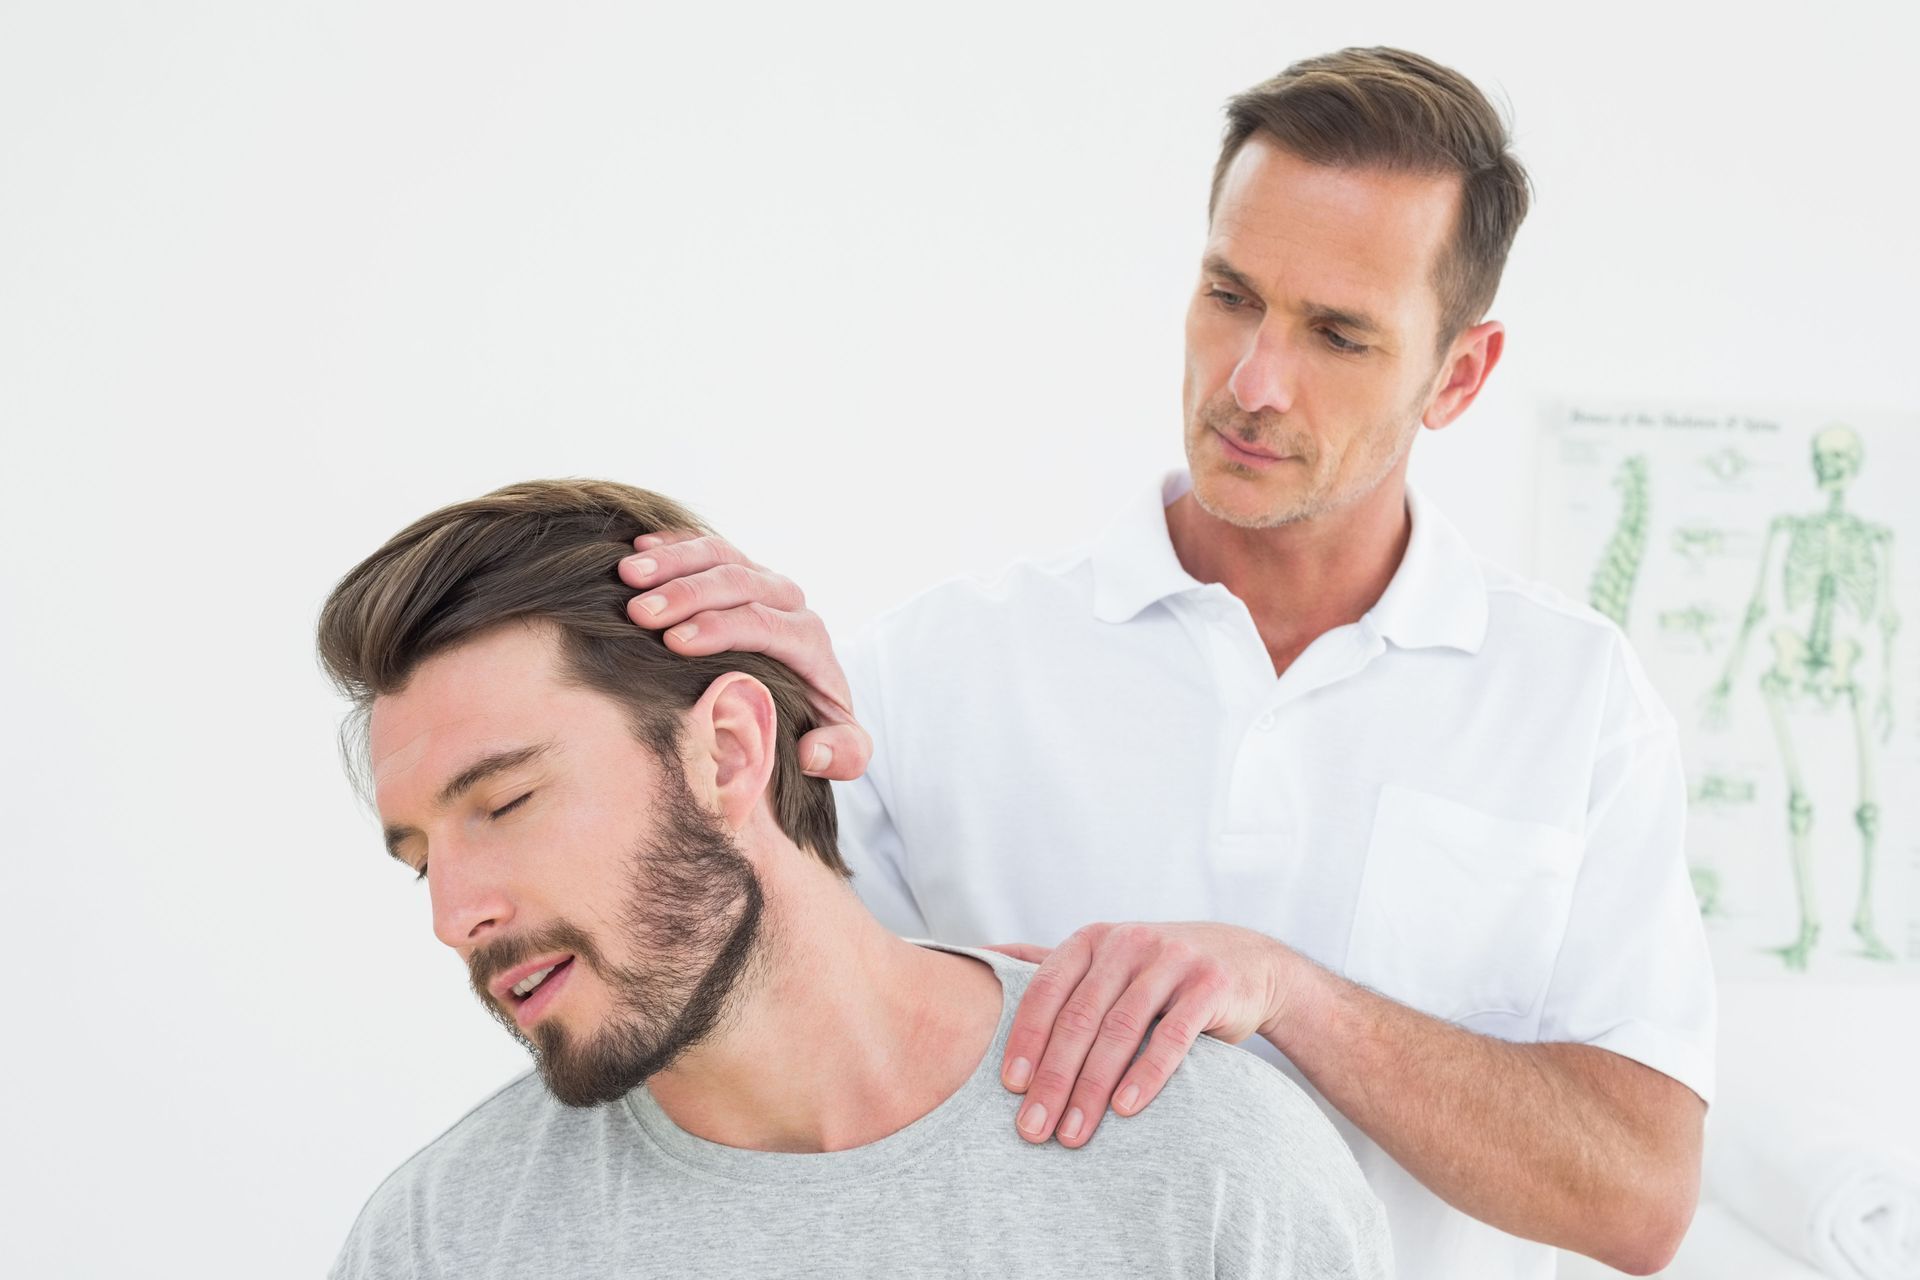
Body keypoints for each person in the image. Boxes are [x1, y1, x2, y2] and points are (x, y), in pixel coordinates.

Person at [615, 47, 1715, 1280]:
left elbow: (1641, 1198)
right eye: (1230, 295)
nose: (1253, 381)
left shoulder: (1575, 703)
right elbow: (723, 1051)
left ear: (1458, 375)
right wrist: (737, 750)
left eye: (1338, 334)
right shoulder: (935, 669)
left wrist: (1295, 995)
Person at [316, 479, 1392, 1279]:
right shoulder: (438, 1244)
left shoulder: (1211, 1170)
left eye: (507, 803)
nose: (455, 916)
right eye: (421, 860)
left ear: (728, 753)